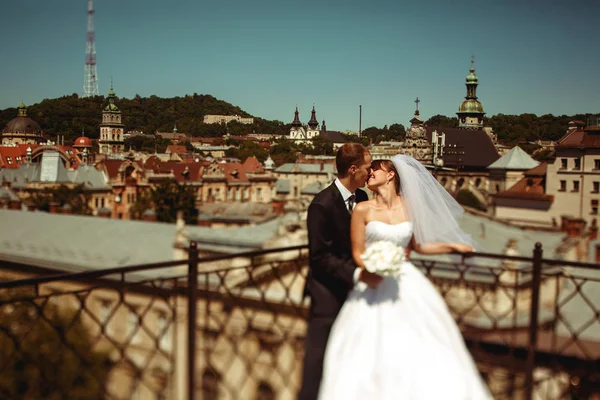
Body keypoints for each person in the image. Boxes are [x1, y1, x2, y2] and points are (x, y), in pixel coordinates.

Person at [317, 155, 493, 399]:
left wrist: (453, 246)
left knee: (416, 345)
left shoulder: (410, 207)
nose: (369, 174)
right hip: (373, 281)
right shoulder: (363, 208)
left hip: (405, 280)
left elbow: (419, 246)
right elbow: (357, 252)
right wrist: (371, 267)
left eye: (374, 170)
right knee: (369, 347)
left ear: (390, 174)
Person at [299, 143, 384, 400]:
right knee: (318, 361)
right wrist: (358, 274)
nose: (370, 173)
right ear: (353, 168)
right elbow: (320, 258)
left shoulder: (361, 198)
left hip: (353, 290)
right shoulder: (321, 205)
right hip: (326, 293)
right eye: (368, 168)